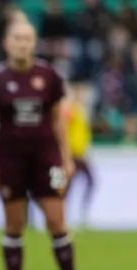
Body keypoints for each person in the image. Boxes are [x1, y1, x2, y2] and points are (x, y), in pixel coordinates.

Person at [0, 19, 82, 270]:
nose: (22, 43)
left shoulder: (49, 76)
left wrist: (67, 158)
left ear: (34, 43)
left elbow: (60, 122)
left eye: (27, 38)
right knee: (14, 226)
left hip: (50, 162)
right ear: (6, 43)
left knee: (58, 220)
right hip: (9, 162)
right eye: (17, 38)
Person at [63, 84, 94, 228]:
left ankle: (81, 214)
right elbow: (62, 126)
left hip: (80, 155)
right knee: (61, 186)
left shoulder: (81, 111)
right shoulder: (71, 109)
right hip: (69, 155)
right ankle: (61, 215)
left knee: (90, 182)